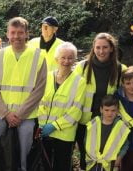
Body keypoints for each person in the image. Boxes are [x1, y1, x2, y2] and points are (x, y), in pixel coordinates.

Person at [0, 17, 47, 171]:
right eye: (13, 32)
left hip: (25, 117)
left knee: (23, 159)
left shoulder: (38, 56)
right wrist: (6, 113)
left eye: (20, 33)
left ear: (27, 34)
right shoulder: (0, 55)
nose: (16, 36)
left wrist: (19, 115)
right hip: (0, 115)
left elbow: (39, 90)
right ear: (7, 34)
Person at [73, 32, 127, 170]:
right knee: (87, 156)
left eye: (104, 47)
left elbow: (130, 94)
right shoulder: (82, 67)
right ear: (93, 48)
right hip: (85, 121)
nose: (101, 51)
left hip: (108, 121)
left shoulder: (121, 69)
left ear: (111, 48)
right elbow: (71, 92)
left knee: (107, 156)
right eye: (98, 47)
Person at [37, 42, 87, 170]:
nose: (66, 61)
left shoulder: (79, 82)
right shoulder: (47, 77)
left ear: (75, 60)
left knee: (62, 167)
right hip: (44, 132)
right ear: (56, 59)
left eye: (70, 58)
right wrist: (42, 124)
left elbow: (76, 112)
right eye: (63, 57)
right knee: (44, 166)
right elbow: (40, 102)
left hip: (64, 135)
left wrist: (54, 126)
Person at [85, 95, 130, 171]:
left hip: (111, 164)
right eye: (107, 110)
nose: (110, 113)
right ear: (101, 110)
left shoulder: (121, 126)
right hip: (93, 162)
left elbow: (125, 145)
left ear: (117, 111)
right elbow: (86, 140)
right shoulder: (93, 123)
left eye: (113, 110)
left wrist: (119, 158)